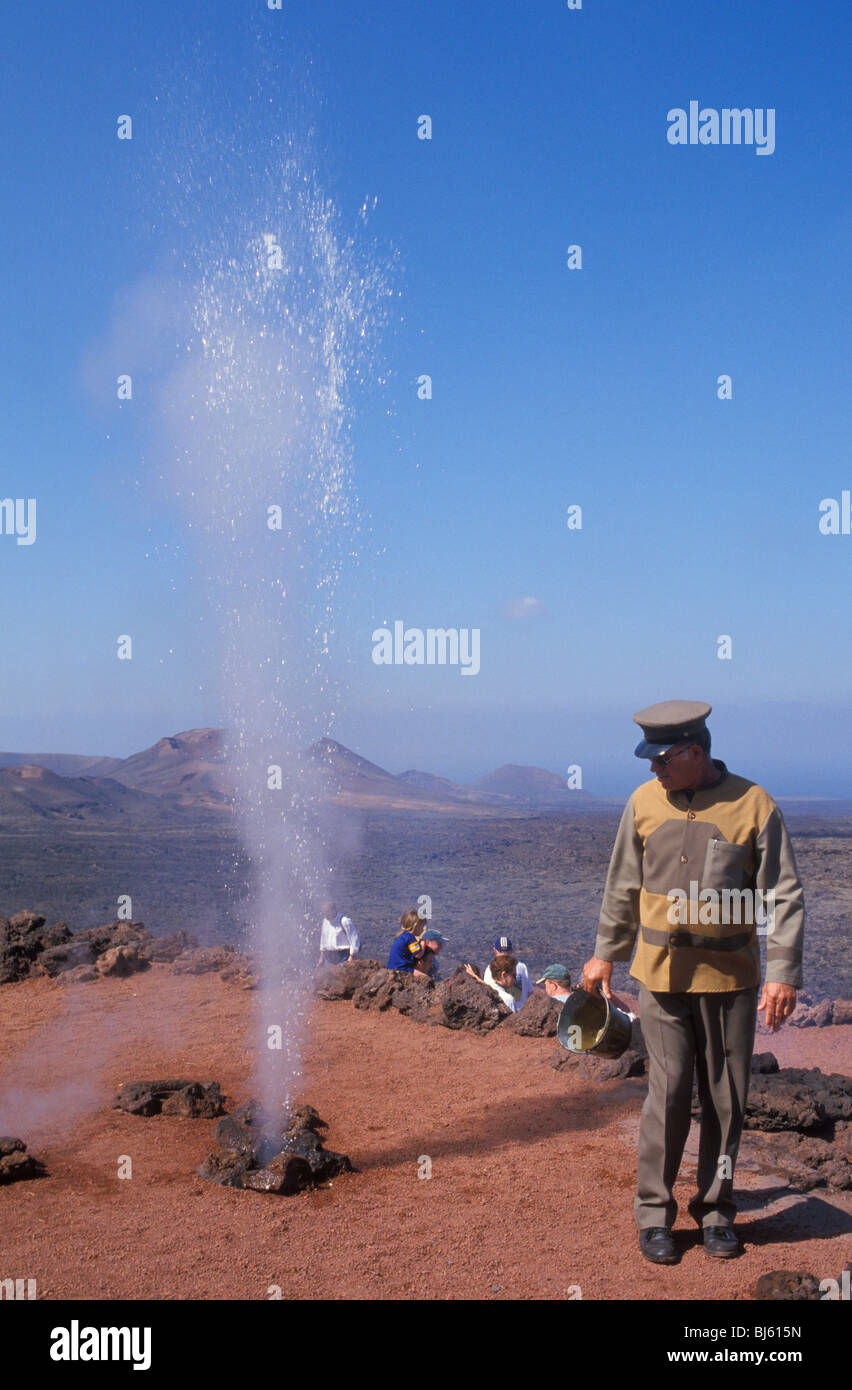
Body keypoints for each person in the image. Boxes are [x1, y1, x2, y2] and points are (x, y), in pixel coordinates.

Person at [580, 700, 804, 1266]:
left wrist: (781, 971)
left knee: (727, 1100)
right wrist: (605, 954)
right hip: (660, 978)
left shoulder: (754, 805)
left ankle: (716, 1211)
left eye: (662, 760)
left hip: (730, 981)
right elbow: (622, 887)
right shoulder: (642, 803)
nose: (653, 770)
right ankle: (655, 1214)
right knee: (669, 1089)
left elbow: (782, 894)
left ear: (695, 753)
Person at [465, 952, 533, 1013]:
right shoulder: (508, 1000)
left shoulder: (488, 990)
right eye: (514, 975)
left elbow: (487, 986)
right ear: (503, 975)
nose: (515, 979)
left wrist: (475, 977)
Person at [317, 901, 359, 966]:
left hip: (343, 955)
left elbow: (354, 939)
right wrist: (321, 957)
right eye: (324, 913)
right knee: (326, 975)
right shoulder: (325, 921)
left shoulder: (345, 921)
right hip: (328, 956)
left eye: (327, 913)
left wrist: (351, 956)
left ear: (333, 911)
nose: (325, 916)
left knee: (342, 975)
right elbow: (323, 939)